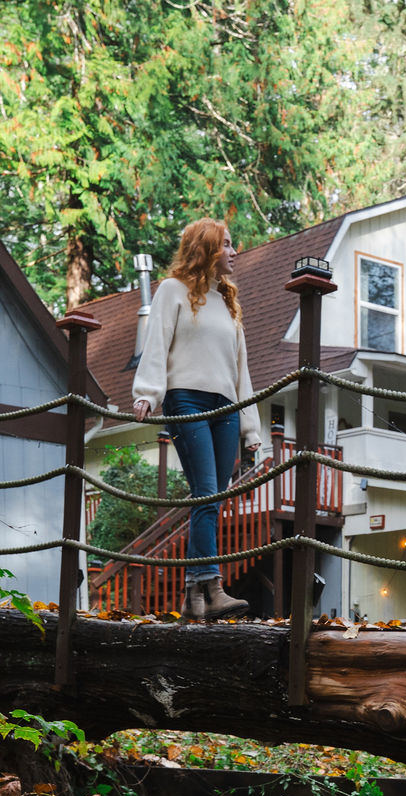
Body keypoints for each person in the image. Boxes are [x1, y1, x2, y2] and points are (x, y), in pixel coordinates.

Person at [132, 219, 261, 621]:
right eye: (226, 244)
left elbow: (242, 371)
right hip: (186, 399)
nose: (234, 251)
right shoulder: (172, 291)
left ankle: (193, 594)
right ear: (206, 249)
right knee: (206, 492)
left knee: (213, 499)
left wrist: (251, 427)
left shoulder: (227, 303)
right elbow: (156, 344)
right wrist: (147, 393)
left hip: (225, 408)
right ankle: (213, 586)